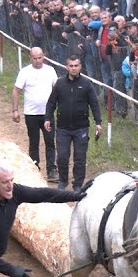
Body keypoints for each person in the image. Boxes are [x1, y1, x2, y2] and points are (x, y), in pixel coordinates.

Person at [44, 57, 103, 192]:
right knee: (62, 156)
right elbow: (51, 103)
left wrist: (98, 122)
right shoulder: (59, 84)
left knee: (80, 158)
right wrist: (47, 118)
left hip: (81, 128)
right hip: (63, 128)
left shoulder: (87, 84)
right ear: (67, 67)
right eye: (71, 65)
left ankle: (77, 184)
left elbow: (94, 104)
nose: (74, 68)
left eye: (76, 65)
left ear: (80, 66)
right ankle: (63, 181)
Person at [12, 48, 59, 182]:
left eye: (40, 58)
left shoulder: (50, 71)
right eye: (35, 58)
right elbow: (16, 91)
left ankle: (51, 170)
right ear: (30, 58)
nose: (38, 61)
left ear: (43, 57)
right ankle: (34, 168)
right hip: (31, 113)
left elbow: (57, 90)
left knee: (50, 141)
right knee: (34, 142)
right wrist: (15, 110)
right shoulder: (25, 72)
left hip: (47, 114)